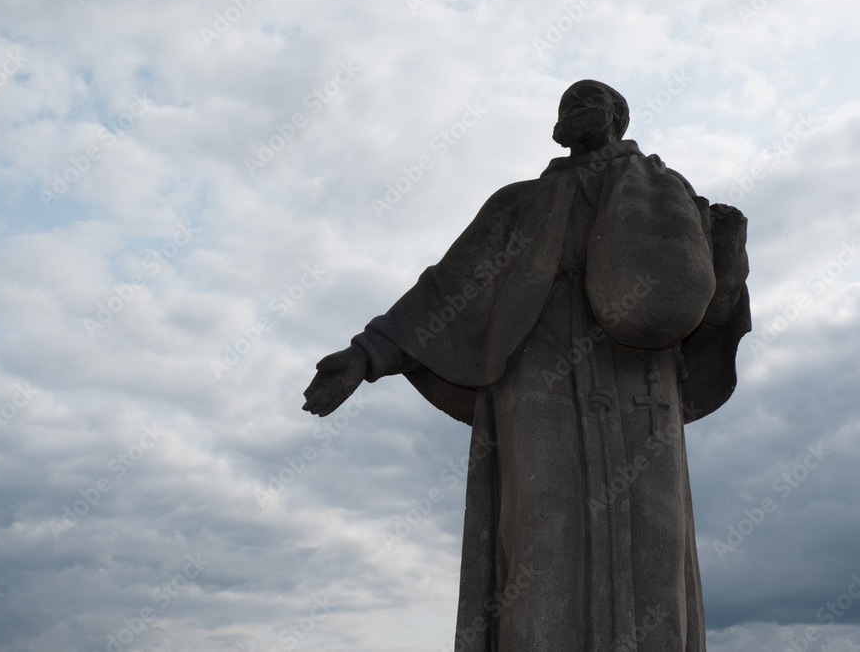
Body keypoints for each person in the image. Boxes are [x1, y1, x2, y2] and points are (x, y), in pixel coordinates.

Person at [303, 80, 750, 651]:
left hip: (638, 384)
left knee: (654, 536)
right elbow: (445, 290)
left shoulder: (668, 195)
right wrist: (364, 355)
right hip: (539, 378)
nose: (575, 108)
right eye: (566, 104)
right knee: (541, 530)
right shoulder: (517, 204)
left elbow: (701, 310)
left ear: (618, 115)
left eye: (589, 99)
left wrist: (728, 261)